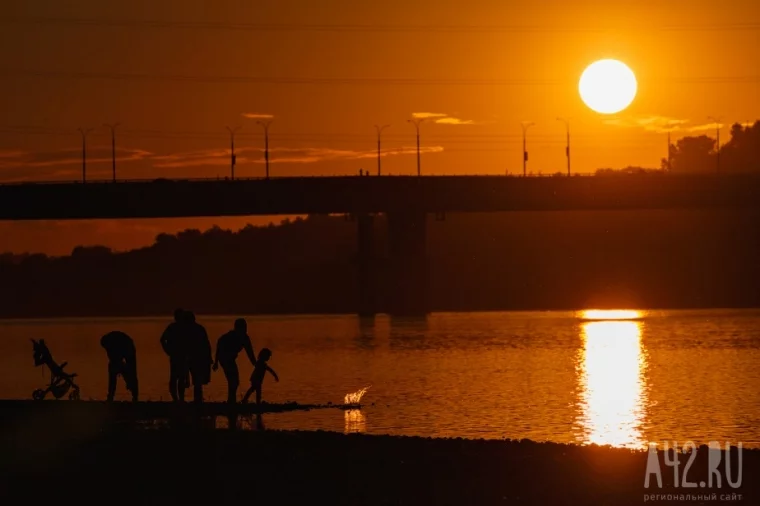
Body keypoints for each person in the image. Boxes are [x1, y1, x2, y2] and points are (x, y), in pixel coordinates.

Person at [213, 318, 257, 403]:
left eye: (245, 327)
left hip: (231, 359)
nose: (245, 329)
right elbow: (219, 346)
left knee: (234, 381)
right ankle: (231, 401)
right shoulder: (229, 336)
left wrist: (255, 364)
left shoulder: (245, 338)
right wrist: (216, 362)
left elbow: (250, 353)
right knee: (233, 381)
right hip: (224, 358)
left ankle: (231, 400)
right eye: (243, 327)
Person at [160, 308, 189, 402]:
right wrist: (168, 350)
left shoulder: (181, 327)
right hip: (177, 355)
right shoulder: (175, 327)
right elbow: (162, 339)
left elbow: (163, 339)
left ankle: (179, 399)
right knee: (176, 378)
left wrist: (168, 350)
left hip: (181, 355)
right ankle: (177, 399)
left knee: (179, 378)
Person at [100, 331, 138, 402]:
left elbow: (117, 358)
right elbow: (113, 359)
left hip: (128, 347)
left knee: (131, 371)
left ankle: (135, 395)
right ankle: (111, 395)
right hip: (125, 347)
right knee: (113, 369)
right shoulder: (109, 344)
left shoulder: (113, 342)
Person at [186, 311, 212, 403]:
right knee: (197, 380)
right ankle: (198, 399)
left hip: (196, 357)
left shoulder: (190, 330)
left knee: (197, 379)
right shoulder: (198, 329)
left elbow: (206, 343)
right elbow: (206, 344)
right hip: (196, 357)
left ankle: (198, 399)